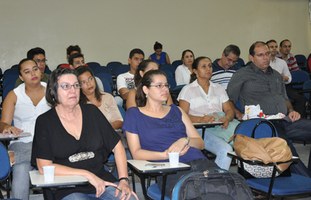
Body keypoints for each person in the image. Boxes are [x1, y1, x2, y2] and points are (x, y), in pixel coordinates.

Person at [31, 68, 136, 200]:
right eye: (65, 86)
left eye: (76, 85)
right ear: (53, 91)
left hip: (102, 180)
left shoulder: (92, 111)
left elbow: (118, 146)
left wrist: (124, 180)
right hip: (67, 187)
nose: (72, 90)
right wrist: (86, 174)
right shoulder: (45, 121)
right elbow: (44, 166)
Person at [123, 69, 217, 197]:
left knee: (227, 188)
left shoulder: (176, 110)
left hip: (199, 163)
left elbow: (200, 143)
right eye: (159, 86)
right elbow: (136, 153)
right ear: (146, 90)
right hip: (169, 170)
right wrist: (165, 154)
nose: (165, 89)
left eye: (166, 85)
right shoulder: (134, 114)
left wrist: (185, 140)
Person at [227, 41, 311, 177]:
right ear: (251, 57)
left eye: (267, 54)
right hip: (263, 123)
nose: (265, 57)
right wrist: (238, 114)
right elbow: (229, 99)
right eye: (260, 55)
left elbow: (284, 98)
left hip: (285, 119)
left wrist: (291, 111)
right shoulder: (242, 74)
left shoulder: (276, 75)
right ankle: (307, 182)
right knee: (286, 148)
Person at [1, 58, 51, 200]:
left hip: (48, 144)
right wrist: (8, 127)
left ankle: (12, 158)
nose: (33, 74)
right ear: (21, 77)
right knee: (21, 170)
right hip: (22, 143)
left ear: (41, 71)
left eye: (35, 69)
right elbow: (3, 123)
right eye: (27, 72)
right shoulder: (14, 95)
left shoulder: (51, 91)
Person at [178, 56, 239, 170]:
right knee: (225, 150)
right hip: (200, 130)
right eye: (204, 66)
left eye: (210, 66)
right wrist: (200, 119)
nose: (208, 69)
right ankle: (217, 183)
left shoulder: (219, 88)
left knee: (244, 140)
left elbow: (229, 110)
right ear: (195, 71)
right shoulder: (188, 90)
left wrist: (227, 118)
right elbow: (182, 116)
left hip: (221, 125)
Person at [277, 39, 306, 117]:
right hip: (278, 86)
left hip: (288, 84)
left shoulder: (291, 56)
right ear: (280, 48)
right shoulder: (276, 58)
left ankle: (300, 119)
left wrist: (287, 76)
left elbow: (295, 71)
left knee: (301, 99)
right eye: (285, 46)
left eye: (289, 46)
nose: (287, 48)